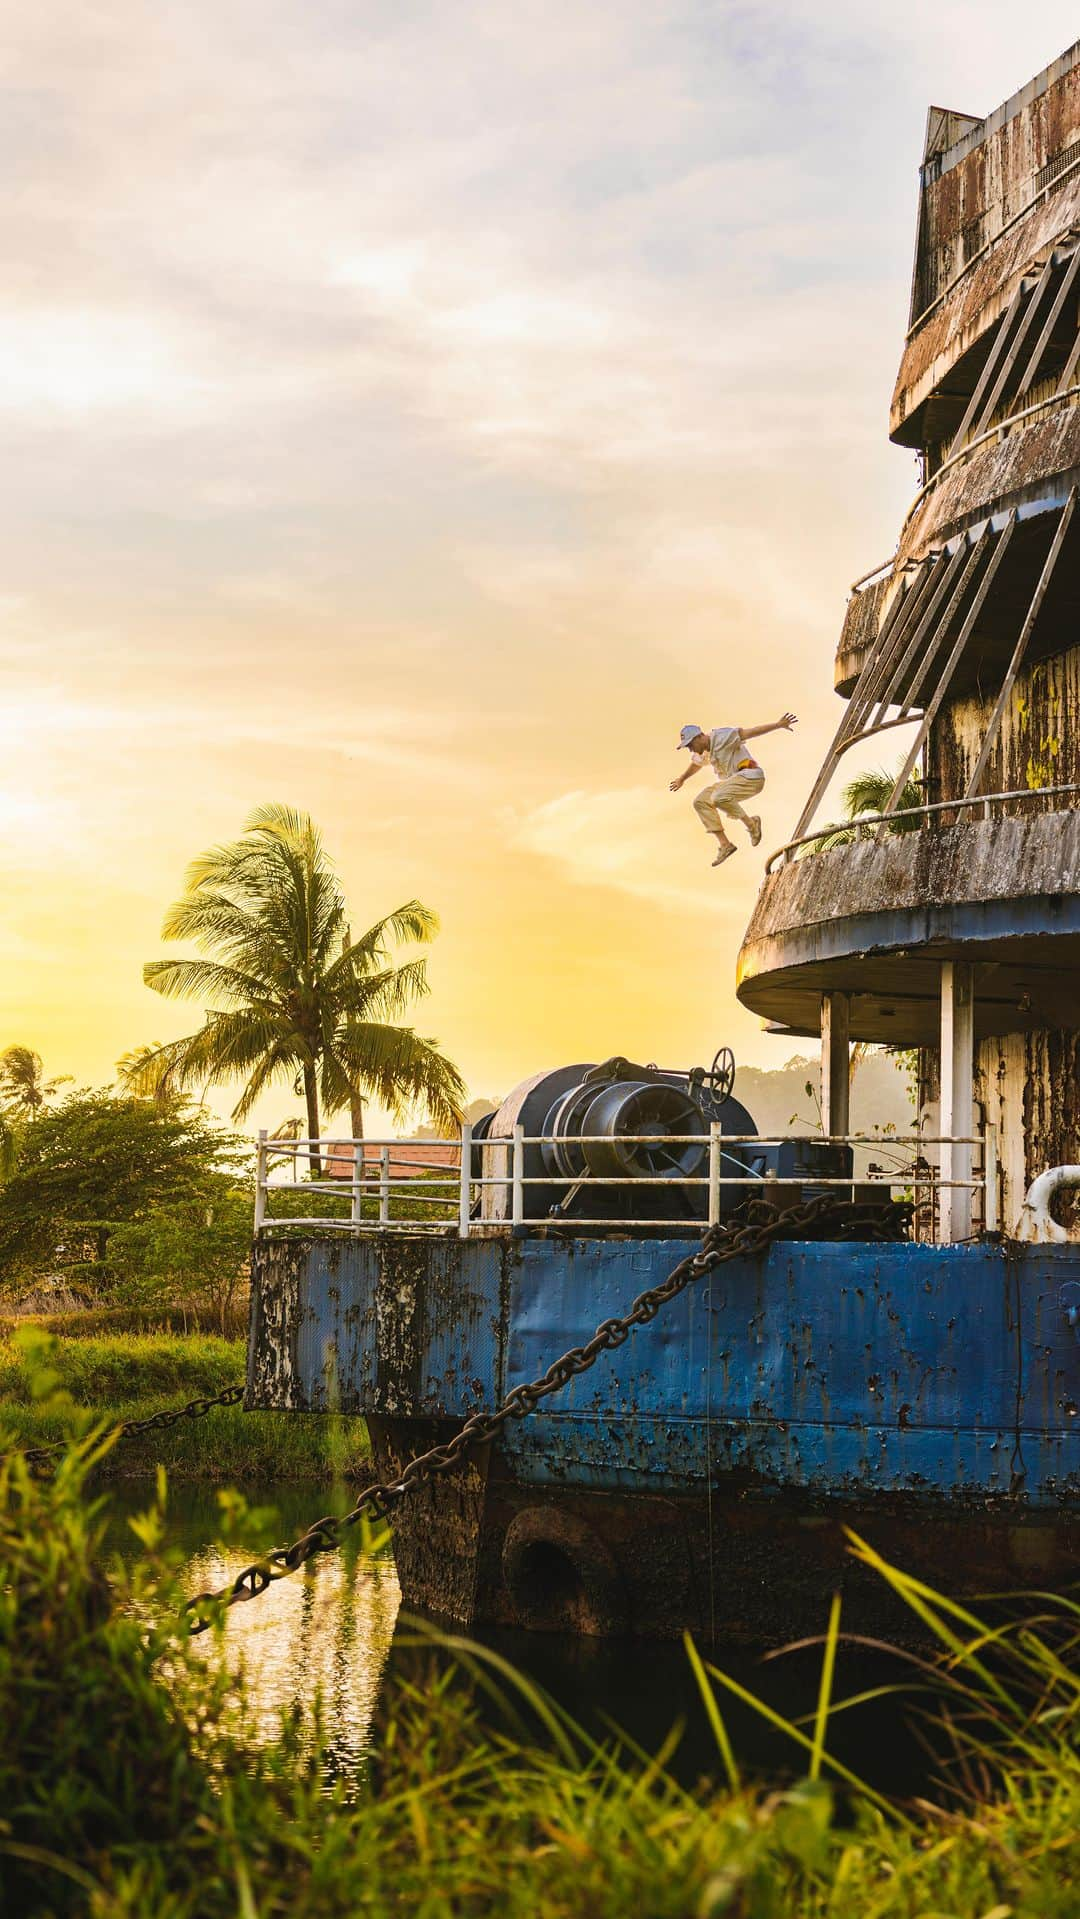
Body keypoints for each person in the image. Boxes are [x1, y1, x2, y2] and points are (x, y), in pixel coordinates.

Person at [669, 714, 797, 867]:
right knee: (700, 801)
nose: (690, 750)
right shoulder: (703, 752)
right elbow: (696, 764)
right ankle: (725, 845)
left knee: (718, 797)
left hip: (751, 777)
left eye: (690, 745)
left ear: (700, 736)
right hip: (732, 782)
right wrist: (682, 779)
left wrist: (778, 724)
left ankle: (751, 825)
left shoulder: (722, 736)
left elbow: (750, 732)